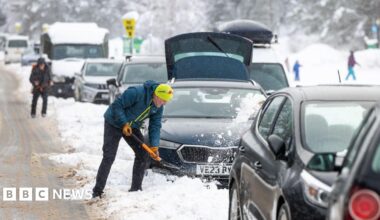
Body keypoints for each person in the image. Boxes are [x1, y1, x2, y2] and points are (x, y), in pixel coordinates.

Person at [92, 80, 174, 198]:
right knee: (109, 156)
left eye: (166, 101)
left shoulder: (158, 106)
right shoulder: (136, 92)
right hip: (114, 122)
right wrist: (124, 123)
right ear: (156, 95)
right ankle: (97, 191)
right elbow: (116, 106)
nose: (164, 103)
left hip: (132, 127)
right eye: (163, 100)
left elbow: (155, 126)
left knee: (143, 154)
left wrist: (154, 146)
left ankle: (136, 190)